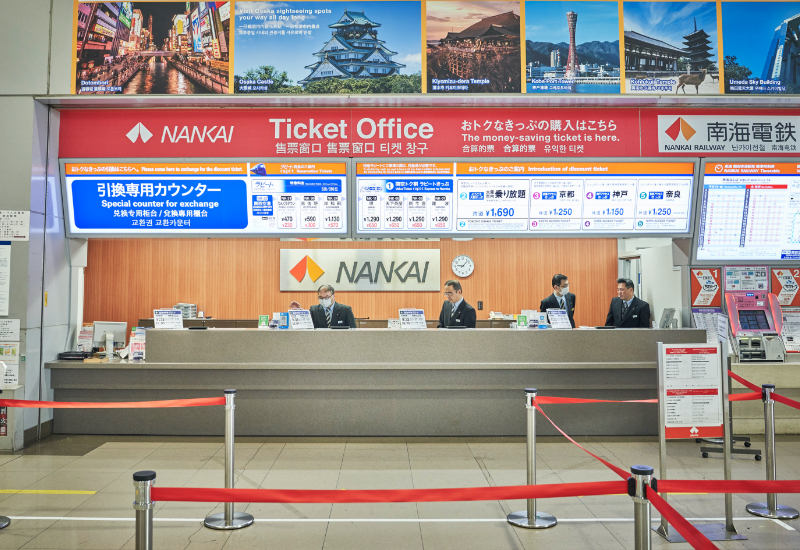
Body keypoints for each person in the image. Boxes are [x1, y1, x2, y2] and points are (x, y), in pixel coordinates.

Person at [289, 284, 356, 329]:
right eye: (321, 297)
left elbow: (353, 331)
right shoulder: (314, 310)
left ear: (333, 296)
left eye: (327, 297)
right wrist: (298, 311)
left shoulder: (345, 310)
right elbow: (306, 325)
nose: (324, 300)